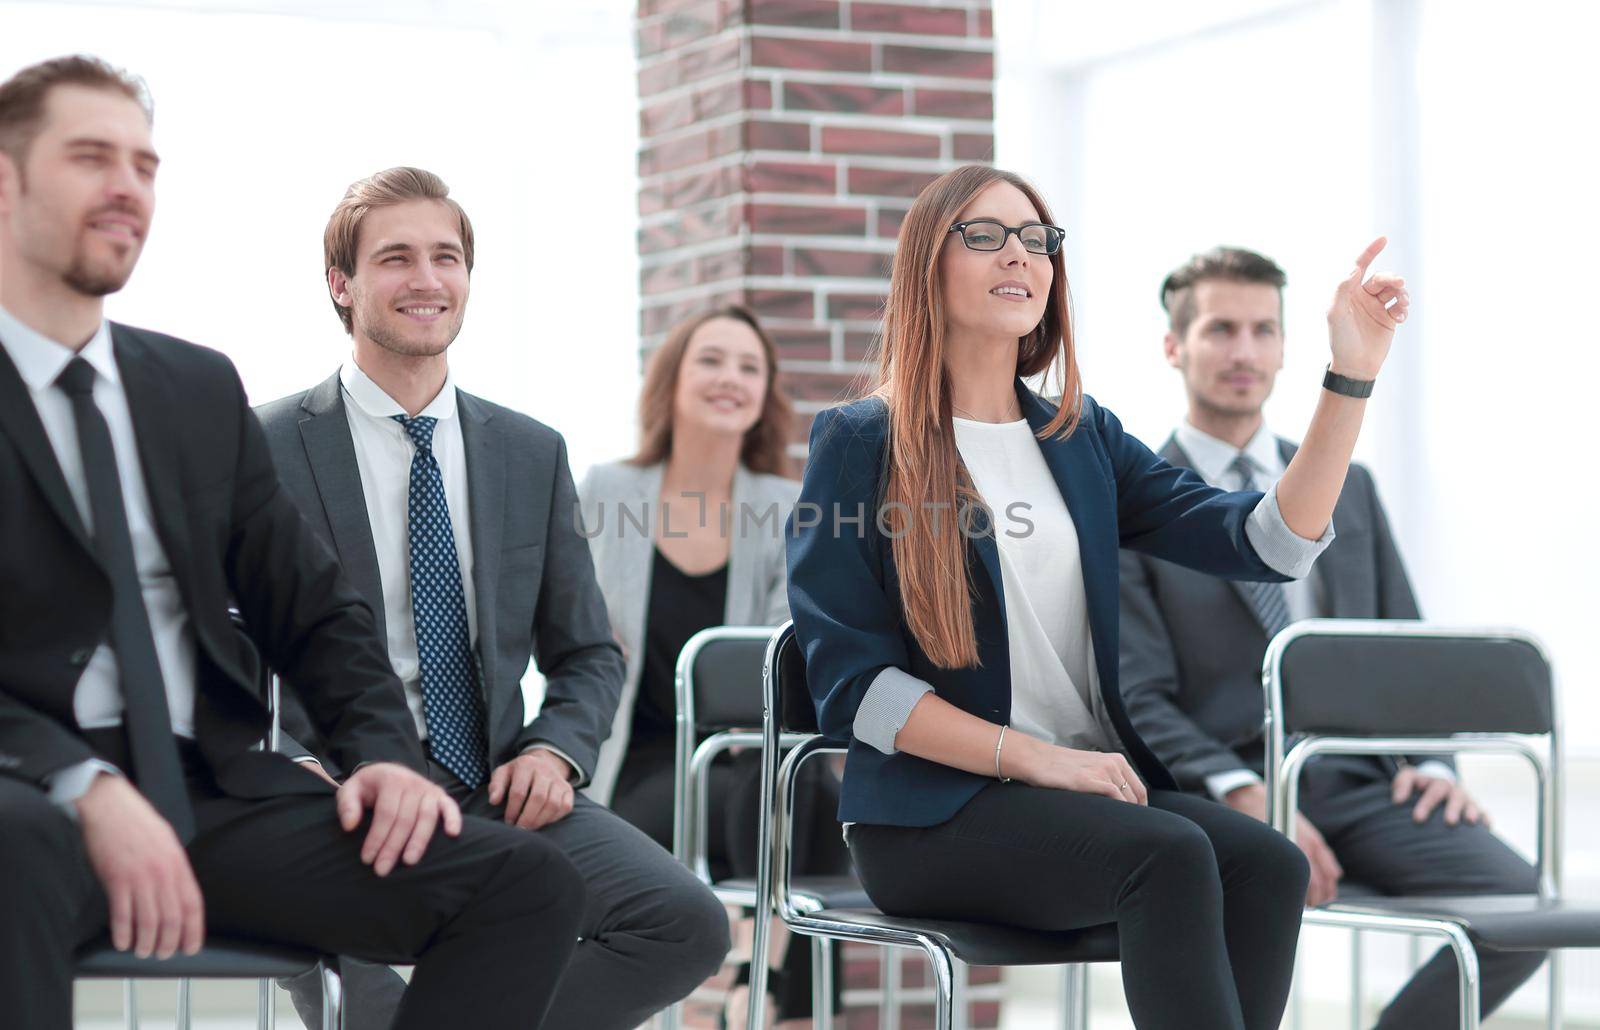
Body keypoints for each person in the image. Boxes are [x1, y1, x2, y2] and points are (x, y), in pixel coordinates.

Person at [0, 56, 585, 1030]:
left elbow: (310, 607)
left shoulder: (188, 388)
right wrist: (85, 784)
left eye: (145, 166)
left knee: (525, 884)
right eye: (91, 158)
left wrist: (382, 754)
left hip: (214, 793)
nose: (126, 189)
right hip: (26, 796)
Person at [787, 163, 1412, 1030]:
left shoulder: (1080, 437)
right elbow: (857, 689)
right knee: (1169, 856)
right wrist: (1036, 757)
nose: (1022, 255)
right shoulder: (861, 441)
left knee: (1269, 864)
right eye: (987, 234)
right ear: (928, 264)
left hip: (1081, 798)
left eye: (1037, 238)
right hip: (933, 816)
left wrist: (1349, 377)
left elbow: (1268, 543)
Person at [255, 166, 730, 1030]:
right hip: (335, 795)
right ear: (341, 284)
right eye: (395, 258)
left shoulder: (528, 450)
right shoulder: (263, 445)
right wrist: (291, 771)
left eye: (447, 257)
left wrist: (554, 754)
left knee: (685, 924)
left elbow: (586, 653)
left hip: (495, 789)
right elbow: (217, 645)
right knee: (363, 995)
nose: (427, 279)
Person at [1119, 245, 1544, 1029]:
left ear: (1285, 347)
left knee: (1522, 907)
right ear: (1175, 347)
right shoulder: (1138, 496)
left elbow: (1404, 650)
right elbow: (1135, 695)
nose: (1243, 351)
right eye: (1219, 330)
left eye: (1261, 330)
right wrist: (1244, 791)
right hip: (1226, 788)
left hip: (1360, 782)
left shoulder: (1351, 485)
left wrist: (1430, 762)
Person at [578, 305, 848, 1027]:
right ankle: (757, 986)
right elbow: (568, 633)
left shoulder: (786, 506)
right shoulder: (606, 492)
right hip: (635, 764)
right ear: (671, 380)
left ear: (765, 396)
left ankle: (741, 984)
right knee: (796, 811)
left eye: (749, 367)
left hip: (745, 755)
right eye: (711, 360)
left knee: (791, 788)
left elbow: (775, 663)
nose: (731, 378)